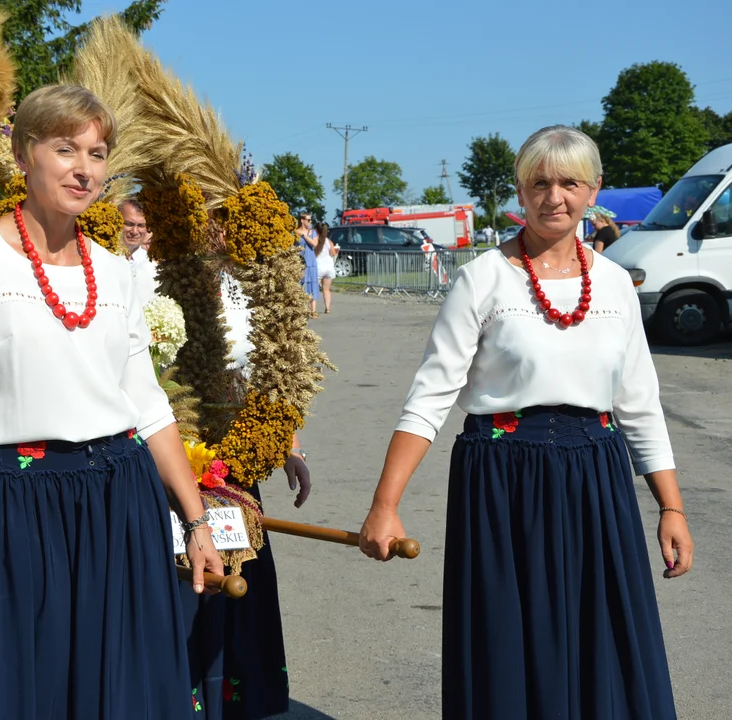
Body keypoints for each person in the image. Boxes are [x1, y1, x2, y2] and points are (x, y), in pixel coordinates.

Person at [0, 84, 223, 719]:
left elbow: (148, 404)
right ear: (24, 155)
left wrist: (195, 521)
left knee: (124, 691)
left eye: (98, 153)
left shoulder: (115, 271)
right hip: (17, 504)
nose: (85, 168)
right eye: (65, 148)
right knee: (27, 692)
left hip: (120, 500)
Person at [359, 125, 691, 719]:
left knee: (604, 641)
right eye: (539, 182)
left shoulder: (614, 284)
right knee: (508, 646)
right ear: (520, 191)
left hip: (597, 478)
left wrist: (672, 508)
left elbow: (640, 404)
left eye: (569, 183)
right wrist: (386, 504)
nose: (554, 196)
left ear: (595, 191)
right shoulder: (483, 279)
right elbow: (430, 398)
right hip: (501, 480)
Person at [184, 271, 312, 719]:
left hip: (235, 457)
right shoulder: (159, 274)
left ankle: (240, 698)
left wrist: (289, 447)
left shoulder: (252, 285)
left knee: (242, 567)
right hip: (173, 445)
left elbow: (274, 376)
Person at [120, 196, 158, 306]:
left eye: (141, 225)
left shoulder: (153, 268)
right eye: (129, 224)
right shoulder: (103, 257)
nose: (135, 231)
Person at [294, 213, 320, 317]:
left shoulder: (312, 232)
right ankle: (299, 309)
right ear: (302, 220)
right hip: (299, 262)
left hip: (311, 262)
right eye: (308, 220)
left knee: (312, 285)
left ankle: (312, 311)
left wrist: (304, 236)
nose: (310, 222)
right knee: (299, 285)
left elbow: (314, 244)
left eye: (310, 220)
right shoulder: (295, 232)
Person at [315, 222, 338, 314]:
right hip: (329, 266)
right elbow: (333, 253)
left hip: (318, 266)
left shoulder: (314, 240)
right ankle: (327, 308)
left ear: (316, 230)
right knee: (326, 289)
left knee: (314, 289)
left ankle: (313, 309)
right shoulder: (328, 241)